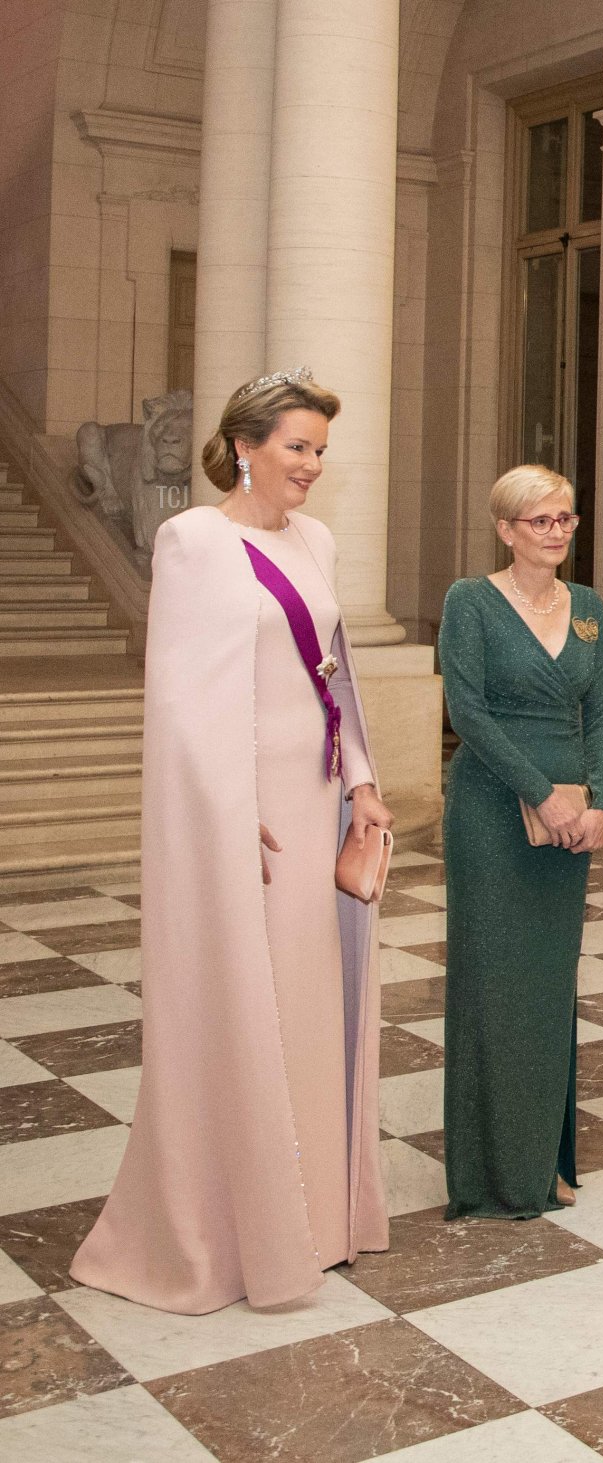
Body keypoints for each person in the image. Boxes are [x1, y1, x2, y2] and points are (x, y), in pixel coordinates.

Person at [70, 368, 394, 1313]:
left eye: (320, 450)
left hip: (321, 796)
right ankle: (240, 1227)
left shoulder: (317, 540)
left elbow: (337, 675)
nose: (311, 466)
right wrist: (221, 807)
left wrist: (365, 782)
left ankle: (314, 1222)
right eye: (296, 446)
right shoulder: (193, 540)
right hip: (245, 820)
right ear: (244, 445)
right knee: (252, 1007)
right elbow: (178, 697)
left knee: (311, 1003)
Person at [439, 464, 603, 1218]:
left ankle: (545, 1160)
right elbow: (467, 711)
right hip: (490, 810)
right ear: (506, 528)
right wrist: (539, 792)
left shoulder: (588, 607)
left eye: (566, 518)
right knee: (492, 987)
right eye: (541, 520)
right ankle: (491, 1175)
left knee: (548, 991)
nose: (557, 532)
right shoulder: (470, 602)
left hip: (570, 824)